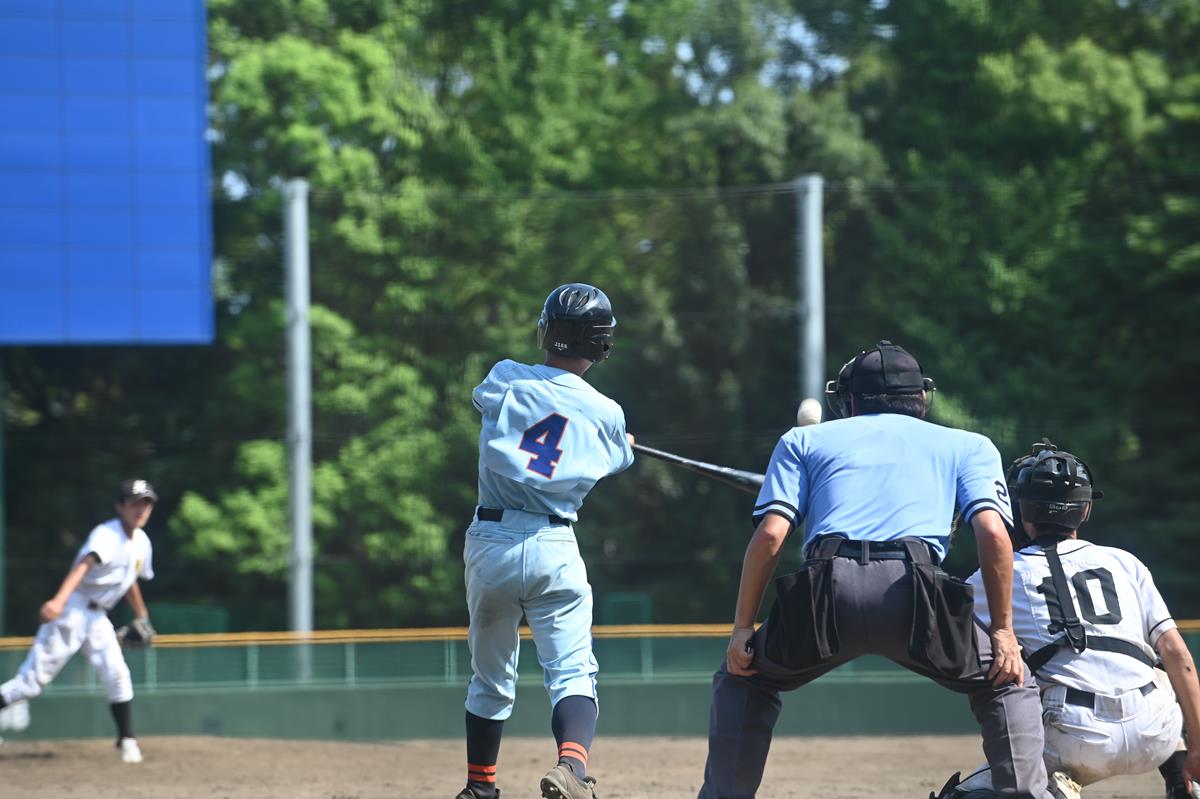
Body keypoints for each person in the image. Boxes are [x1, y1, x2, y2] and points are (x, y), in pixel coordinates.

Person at [697, 340, 1060, 799]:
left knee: (744, 677)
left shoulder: (802, 440)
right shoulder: (969, 444)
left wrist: (742, 630)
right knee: (1007, 681)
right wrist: (1004, 632)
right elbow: (992, 534)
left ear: (849, 400)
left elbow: (770, 536)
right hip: (917, 592)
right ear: (922, 397)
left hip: (826, 590)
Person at [932, 442, 1200, 799]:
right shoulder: (1125, 562)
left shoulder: (996, 574)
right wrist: (1198, 746)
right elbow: (1179, 655)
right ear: (1086, 509)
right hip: (1155, 731)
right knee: (1160, 666)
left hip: (1070, 732)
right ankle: (1183, 778)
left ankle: (1050, 787)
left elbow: (946, 636)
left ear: (1021, 511)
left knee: (969, 793)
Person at [455, 283, 635, 799]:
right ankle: (571, 766)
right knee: (572, 670)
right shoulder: (607, 413)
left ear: (546, 332)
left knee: (490, 679)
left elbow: (487, 404)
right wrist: (623, 442)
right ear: (602, 344)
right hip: (554, 544)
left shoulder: (506, 376)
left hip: (492, 540)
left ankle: (480, 788)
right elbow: (618, 457)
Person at [0, 479, 158, 763]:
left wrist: (142, 615)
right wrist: (58, 601)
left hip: (98, 617)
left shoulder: (142, 543)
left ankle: (127, 741)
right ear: (120, 506)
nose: (141, 509)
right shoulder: (106, 535)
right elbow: (82, 567)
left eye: (146, 504)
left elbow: (129, 580)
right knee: (30, 684)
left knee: (118, 675)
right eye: (135, 503)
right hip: (73, 609)